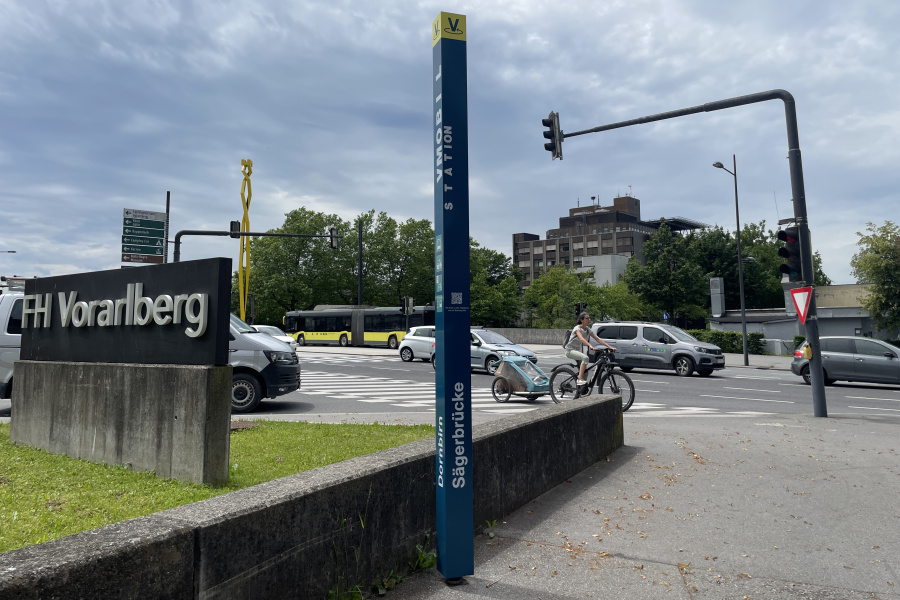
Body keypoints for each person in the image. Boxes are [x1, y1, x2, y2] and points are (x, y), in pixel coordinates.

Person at [565, 312, 615, 385]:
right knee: (585, 358)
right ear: (582, 320)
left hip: (577, 351)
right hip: (570, 350)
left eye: (589, 318)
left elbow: (598, 339)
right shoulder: (577, 328)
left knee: (585, 372)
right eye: (587, 318)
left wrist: (610, 347)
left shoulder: (588, 329)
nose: (589, 320)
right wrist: (590, 345)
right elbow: (581, 338)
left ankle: (582, 391)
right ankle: (579, 379)